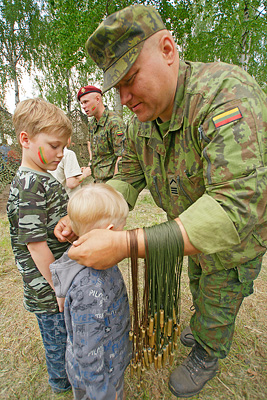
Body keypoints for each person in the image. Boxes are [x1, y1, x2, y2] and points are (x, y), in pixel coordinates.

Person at [55, 4, 267, 399]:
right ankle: (204, 324)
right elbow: (127, 179)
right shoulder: (141, 127)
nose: (124, 97)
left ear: (168, 49)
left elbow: (234, 205)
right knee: (201, 281)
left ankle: (208, 350)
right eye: (116, 87)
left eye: (131, 79)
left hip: (237, 244)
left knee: (221, 292)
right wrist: (85, 214)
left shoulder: (225, 95)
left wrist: (125, 244)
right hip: (190, 236)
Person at [7, 98, 72, 394]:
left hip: (57, 281)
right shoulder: (30, 186)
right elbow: (35, 247)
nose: (61, 153)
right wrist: (59, 288)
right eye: (55, 145)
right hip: (48, 291)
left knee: (66, 335)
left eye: (64, 146)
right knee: (58, 339)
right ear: (25, 139)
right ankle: (61, 382)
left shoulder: (41, 177)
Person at [50, 183, 131, 400]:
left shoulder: (96, 258)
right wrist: (102, 392)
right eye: (123, 227)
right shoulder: (89, 288)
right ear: (110, 233)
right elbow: (87, 350)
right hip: (98, 378)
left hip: (111, 359)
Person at [77, 85, 125, 182]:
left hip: (111, 180)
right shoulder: (92, 124)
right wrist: (90, 164)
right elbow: (91, 144)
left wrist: (114, 185)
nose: (83, 106)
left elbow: (121, 156)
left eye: (86, 102)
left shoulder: (114, 122)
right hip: (98, 180)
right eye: (82, 103)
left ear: (97, 99)